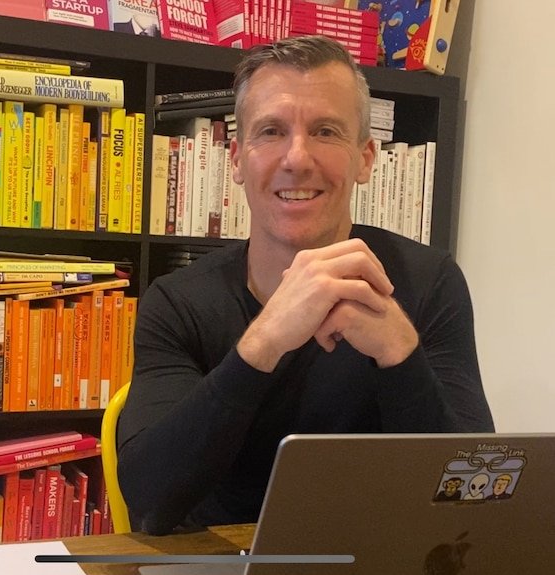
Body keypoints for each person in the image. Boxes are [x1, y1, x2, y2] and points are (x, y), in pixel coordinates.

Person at [116, 35, 494, 536]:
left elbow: (477, 499)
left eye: (325, 131)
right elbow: (150, 501)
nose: (297, 158)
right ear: (235, 159)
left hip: (384, 557)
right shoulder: (177, 301)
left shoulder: (430, 284)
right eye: (270, 131)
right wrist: (263, 342)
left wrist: (402, 354)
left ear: (364, 159)